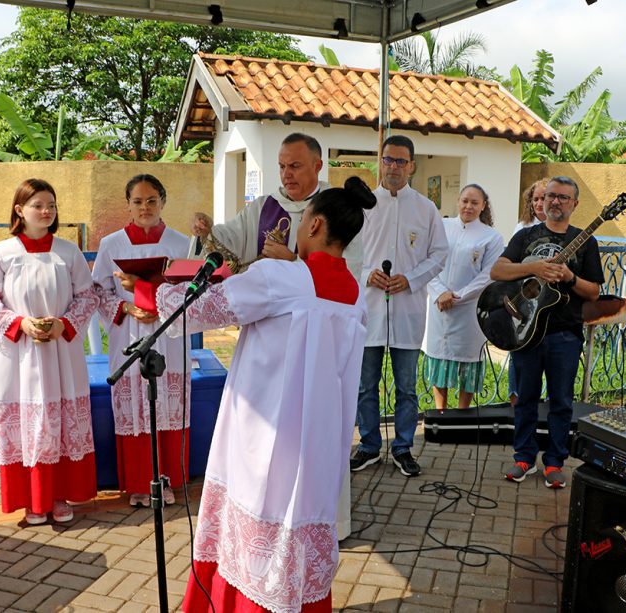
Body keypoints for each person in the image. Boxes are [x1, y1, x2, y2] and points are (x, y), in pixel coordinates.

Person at [120, 176, 374, 613]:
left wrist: (141, 288)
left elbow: (201, 308)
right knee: (297, 520)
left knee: (255, 512)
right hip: (316, 435)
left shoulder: (284, 275)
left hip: (265, 425)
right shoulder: (355, 294)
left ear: (314, 226)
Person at [0, 178, 98, 525]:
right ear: (19, 210)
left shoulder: (68, 252)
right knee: (30, 425)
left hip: (62, 353)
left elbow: (88, 297)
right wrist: (20, 325)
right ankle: (32, 498)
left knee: (59, 423)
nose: (46, 211)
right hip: (21, 354)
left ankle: (59, 496)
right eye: (38, 205)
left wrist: (64, 324)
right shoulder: (2, 252)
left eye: (52, 205)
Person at [490, 176, 604, 488]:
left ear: (575, 204)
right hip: (525, 329)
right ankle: (523, 457)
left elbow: (593, 292)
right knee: (525, 397)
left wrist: (569, 277)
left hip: (564, 333)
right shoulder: (526, 236)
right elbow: (497, 271)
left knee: (561, 401)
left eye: (563, 198)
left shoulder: (586, 241)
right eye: (551, 196)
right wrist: (534, 268)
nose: (555, 202)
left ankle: (555, 462)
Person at [351, 135, 449, 478]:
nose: (393, 167)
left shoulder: (426, 208)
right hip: (369, 307)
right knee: (365, 384)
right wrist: (367, 274)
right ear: (379, 161)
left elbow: (439, 255)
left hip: (407, 307)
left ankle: (404, 447)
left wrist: (410, 278)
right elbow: (348, 253)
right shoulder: (361, 206)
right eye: (388, 160)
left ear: (412, 166)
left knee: (407, 386)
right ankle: (368, 445)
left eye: (400, 161)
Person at [92, 174, 191, 507]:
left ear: (163, 201)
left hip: (169, 335)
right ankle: (138, 483)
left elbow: (190, 291)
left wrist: (161, 304)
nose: (145, 207)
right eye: (138, 201)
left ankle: (168, 479)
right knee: (136, 405)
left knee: (168, 404)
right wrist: (127, 307)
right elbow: (98, 293)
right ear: (128, 205)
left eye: (152, 200)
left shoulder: (181, 244)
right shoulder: (111, 245)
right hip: (130, 334)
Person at [192, 132, 362, 276]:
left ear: (317, 166)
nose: (286, 174)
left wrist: (291, 262)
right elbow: (228, 240)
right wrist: (208, 229)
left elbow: (347, 271)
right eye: (282, 166)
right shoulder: (261, 207)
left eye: (295, 166)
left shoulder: (337, 210)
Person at [423, 183, 504, 409]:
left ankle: (462, 415)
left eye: (474, 202)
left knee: (467, 364)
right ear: (458, 202)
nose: (468, 206)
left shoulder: (492, 237)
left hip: (469, 309)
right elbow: (427, 262)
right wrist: (440, 293)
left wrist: (457, 296)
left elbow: (489, 274)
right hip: (439, 306)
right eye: (465, 201)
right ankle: (440, 415)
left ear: (483, 206)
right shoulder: (441, 226)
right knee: (440, 360)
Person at [508, 178, 550, 405]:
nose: (539, 203)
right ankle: (516, 398)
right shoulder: (522, 228)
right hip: (526, 295)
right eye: (535, 199)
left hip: (550, 301)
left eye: (543, 197)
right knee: (520, 347)